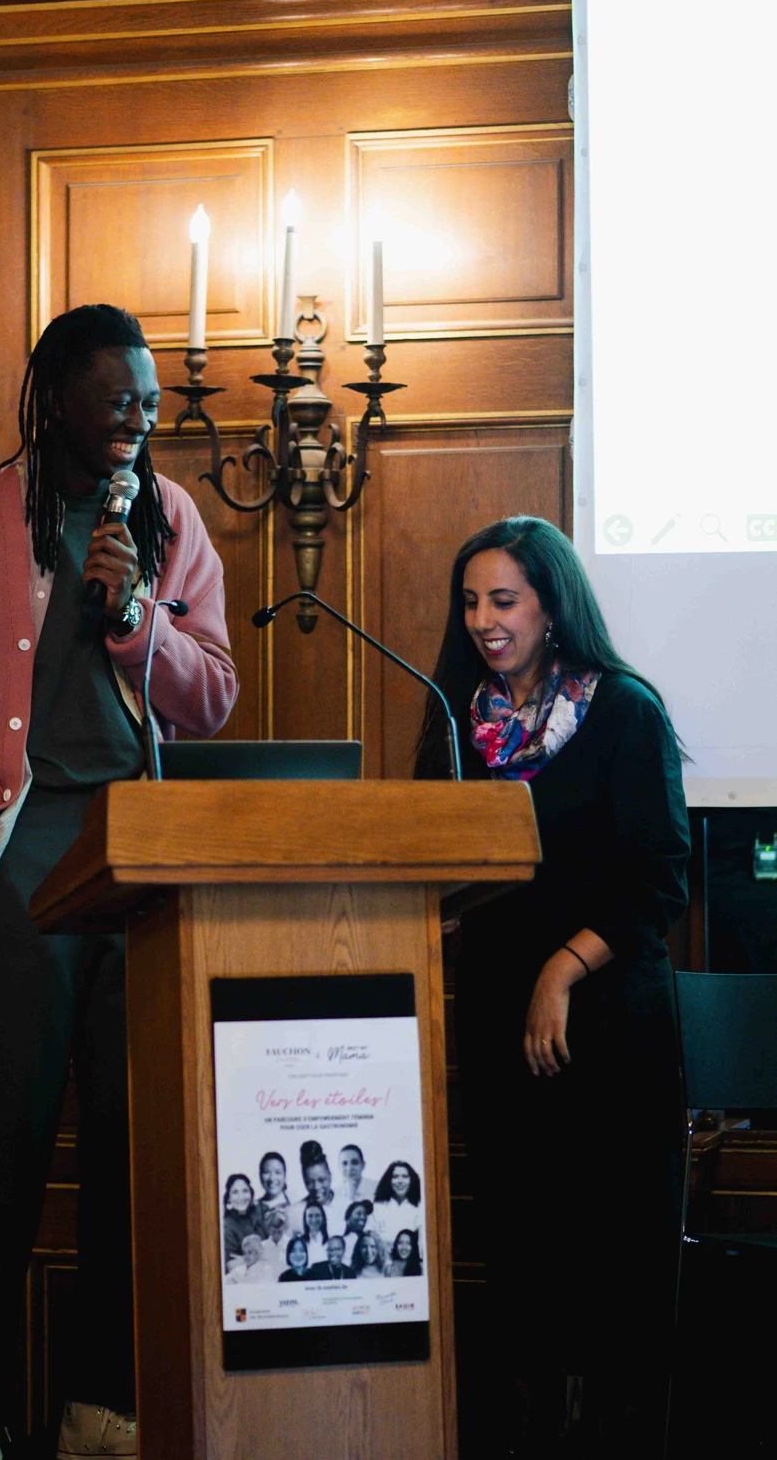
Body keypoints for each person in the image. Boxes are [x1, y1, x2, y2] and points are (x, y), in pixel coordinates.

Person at [0, 304, 238, 1460]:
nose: (138, 416)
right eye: (115, 397)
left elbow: (211, 695)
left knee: (132, 1159)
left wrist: (135, 617)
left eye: (149, 396)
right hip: (20, 865)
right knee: (2, 1154)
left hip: (141, 868)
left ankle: (100, 1409)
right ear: (57, 401)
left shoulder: (171, 522)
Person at [414, 515, 689, 1458]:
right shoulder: (457, 717)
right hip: (497, 1032)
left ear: (553, 606)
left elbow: (658, 879)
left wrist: (560, 971)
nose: (484, 621)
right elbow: (432, 863)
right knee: (523, 1272)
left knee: (614, 1277)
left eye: (504, 600)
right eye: (471, 602)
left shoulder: (624, 712)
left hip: (611, 1033)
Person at [370, 1161, 423, 1255]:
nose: (400, 1181)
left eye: (405, 1176)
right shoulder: (378, 1207)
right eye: (395, 1177)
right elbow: (370, 1232)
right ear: (389, 1181)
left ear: (411, 1180)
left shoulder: (419, 1209)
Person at [286, 1141, 336, 1234]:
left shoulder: (348, 1206)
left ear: (330, 1176)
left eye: (321, 1180)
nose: (316, 1187)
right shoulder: (293, 1213)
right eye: (310, 1182)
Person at [222, 1174, 264, 1271]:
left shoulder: (260, 1212)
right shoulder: (227, 1226)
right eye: (235, 1192)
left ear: (251, 1194)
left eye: (245, 1191)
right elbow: (230, 1265)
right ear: (229, 1198)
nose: (241, 1197)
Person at [257, 1206, 291, 1278]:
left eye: (280, 1225)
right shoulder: (261, 1246)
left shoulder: (291, 1244)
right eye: (273, 1225)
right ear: (268, 1226)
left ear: (285, 1226)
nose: (277, 1229)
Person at [298, 1200, 329, 1268]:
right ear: (305, 1219)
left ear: (323, 1218)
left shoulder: (330, 1241)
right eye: (310, 1216)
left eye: (317, 1215)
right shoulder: (299, 1242)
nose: (314, 1220)